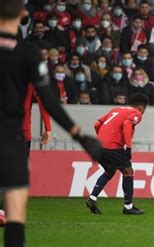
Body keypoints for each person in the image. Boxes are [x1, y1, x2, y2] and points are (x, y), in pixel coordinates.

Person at [0, 1, 101, 246]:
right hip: (11, 139)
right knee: (15, 212)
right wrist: (80, 136)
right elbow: (50, 102)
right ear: (24, 15)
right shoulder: (28, 54)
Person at [86, 93, 149, 215]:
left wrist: (102, 139)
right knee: (128, 171)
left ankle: (92, 199)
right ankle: (128, 207)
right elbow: (127, 124)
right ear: (141, 107)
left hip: (98, 146)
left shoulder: (115, 110)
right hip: (113, 146)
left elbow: (97, 124)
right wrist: (128, 147)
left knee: (109, 171)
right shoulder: (136, 113)